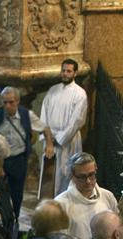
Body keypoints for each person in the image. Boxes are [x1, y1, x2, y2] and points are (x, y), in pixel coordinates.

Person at [0, 86, 54, 218]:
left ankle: (15, 218)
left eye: (11, 102)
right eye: (5, 102)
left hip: (19, 160)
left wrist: (49, 144)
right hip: (1, 162)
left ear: (17, 101)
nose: (7, 106)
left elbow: (45, 128)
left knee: (17, 193)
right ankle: (2, 218)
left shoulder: (26, 115)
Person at [40, 59, 88, 196]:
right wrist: (49, 139)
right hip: (49, 141)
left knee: (65, 175)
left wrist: (58, 139)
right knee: (48, 177)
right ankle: (48, 206)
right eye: (63, 71)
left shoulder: (80, 94)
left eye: (69, 71)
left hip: (68, 141)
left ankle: (62, 206)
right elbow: (44, 115)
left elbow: (76, 121)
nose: (65, 74)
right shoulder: (53, 91)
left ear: (75, 73)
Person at [54, 152, 118, 239]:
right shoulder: (61, 204)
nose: (88, 181)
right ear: (72, 176)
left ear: (96, 170)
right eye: (82, 177)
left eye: (91, 175)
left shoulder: (107, 196)